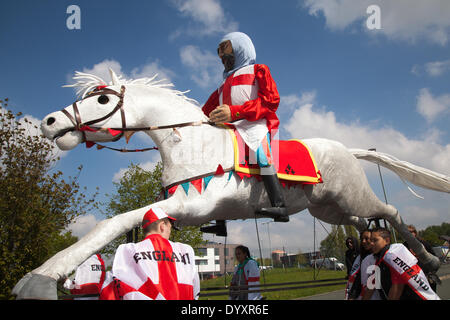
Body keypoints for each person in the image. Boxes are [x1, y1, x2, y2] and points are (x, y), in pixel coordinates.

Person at [202, 31, 288, 222]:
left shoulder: (259, 69)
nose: (221, 56)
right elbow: (204, 111)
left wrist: (235, 112)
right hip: (230, 128)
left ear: (240, 46)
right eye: (219, 51)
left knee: (260, 153)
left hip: (254, 124)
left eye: (225, 48)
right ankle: (219, 221)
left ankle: (279, 206)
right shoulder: (221, 87)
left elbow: (271, 101)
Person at [100, 207, 200, 300]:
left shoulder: (128, 251)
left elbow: (112, 288)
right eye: (170, 226)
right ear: (162, 226)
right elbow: (195, 290)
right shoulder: (185, 250)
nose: (170, 231)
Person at [362, 227, 440, 300]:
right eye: (371, 240)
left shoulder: (392, 255)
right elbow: (371, 286)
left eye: (375, 240)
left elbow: (397, 288)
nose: (371, 244)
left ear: (387, 240)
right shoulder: (380, 258)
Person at [403, 224, 440, 292]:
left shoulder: (424, 243)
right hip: (413, 276)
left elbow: (434, 258)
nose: (410, 234)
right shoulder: (404, 246)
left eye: (411, 232)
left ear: (415, 233)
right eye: (407, 232)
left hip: (427, 274)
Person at [346, 230, 375, 300]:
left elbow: (373, 284)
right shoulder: (362, 257)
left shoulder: (380, 257)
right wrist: (352, 294)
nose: (363, 241)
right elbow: (358, 277)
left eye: (366, 238)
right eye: (362, 239)